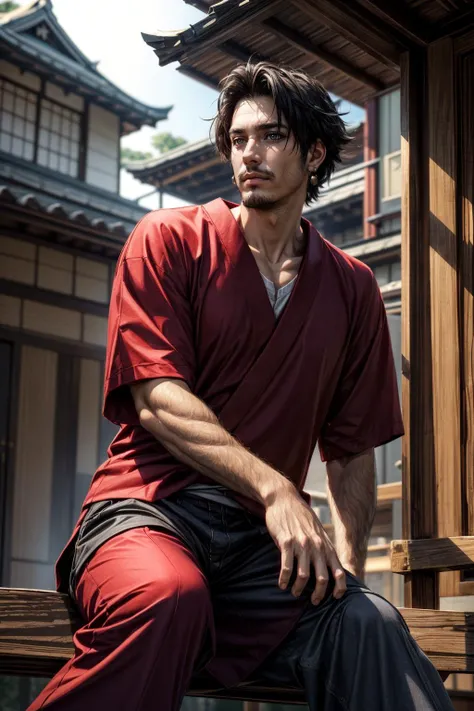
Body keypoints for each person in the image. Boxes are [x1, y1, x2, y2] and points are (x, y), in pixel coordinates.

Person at [28, 61, 454, 711]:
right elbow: (157, 398)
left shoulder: (353, 289)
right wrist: (276, 487)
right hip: (147, 513)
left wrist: (345, 573)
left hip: (261, 550)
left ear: (314, 154)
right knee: (168, 594)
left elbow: (350, 449)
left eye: (271, 135)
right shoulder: (167, 239)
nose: (248, 151)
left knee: (368, 624)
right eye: (238, 137)